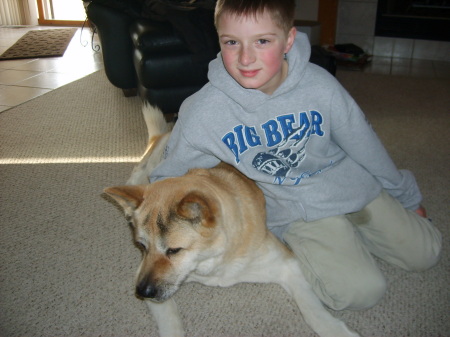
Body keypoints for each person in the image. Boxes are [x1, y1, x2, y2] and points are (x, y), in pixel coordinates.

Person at [150, 0, 442, 311]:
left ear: (289, 39)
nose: (245, 58)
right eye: (232, 42)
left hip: (349, 183)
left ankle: (355, 231)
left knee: (426, 253)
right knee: (362, 292)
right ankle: (324, 246)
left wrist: (405, 194)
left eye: (262, 41)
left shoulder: (321, 86)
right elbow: (169, 177)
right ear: (219, 39)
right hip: (294, 209)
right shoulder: (203, 113)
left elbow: (365, 144)